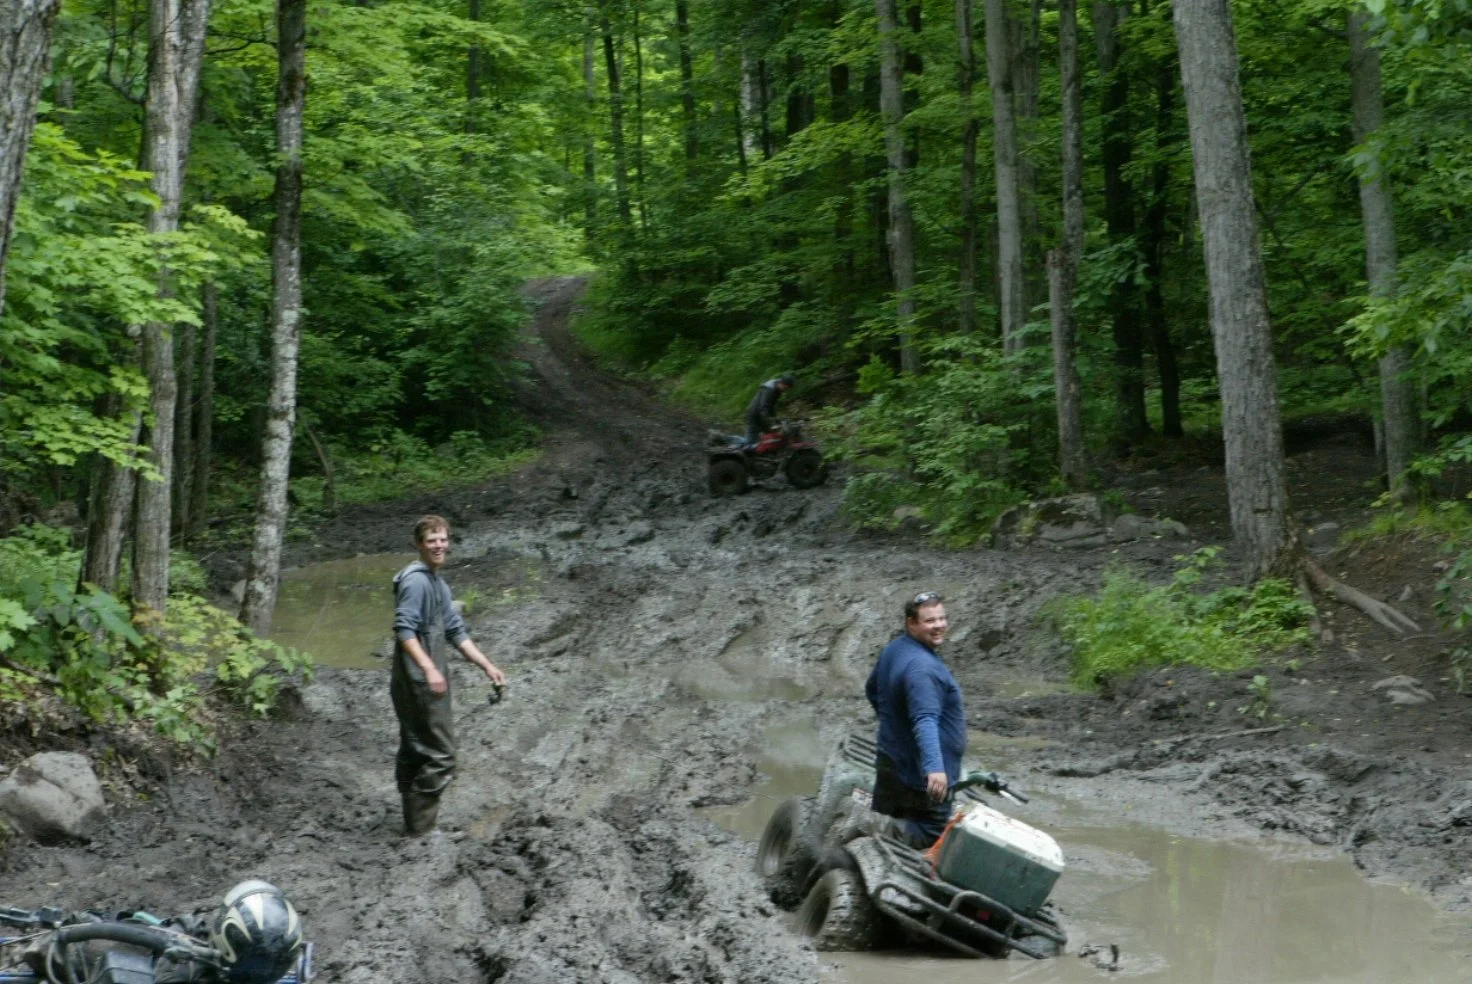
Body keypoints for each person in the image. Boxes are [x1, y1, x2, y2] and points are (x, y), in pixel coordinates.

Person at [391, 515, 507, 836]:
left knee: (416, 747)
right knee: (442, 755)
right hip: (418, 680)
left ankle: (414, 823)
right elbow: (404, 629)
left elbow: (456, 632)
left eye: (443, 539)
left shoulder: (438, 585)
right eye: (432, 540)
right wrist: (429, 668)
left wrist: (487, 665)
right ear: (419, 544)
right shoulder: (415, 582)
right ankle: (422, 830)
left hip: (417, 679)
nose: (439, 545)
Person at [864, 591, 966, 848]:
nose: (939, 625)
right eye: (930, 620)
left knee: (891, 822)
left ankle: (867, 843)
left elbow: (872, 689)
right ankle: (870, 829)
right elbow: (925, 719)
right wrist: (934, 769)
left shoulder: (895, 649)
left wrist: (895, 727)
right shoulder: (923, 669)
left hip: (891, 761)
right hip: (918, 775)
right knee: (933, 831)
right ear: (911, 623)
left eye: (942, 618)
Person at [744, 373, 796, 446]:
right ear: (782, 383)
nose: (786, 390)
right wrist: (771, 422)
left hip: (762, 415)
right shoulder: (769, 390)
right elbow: (764, 408)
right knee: (751, 440)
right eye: (786, 388)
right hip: (754, 414)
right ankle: (740, 449)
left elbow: (770, 407)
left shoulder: (777, 390)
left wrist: (774, 419)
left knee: (772, 436)